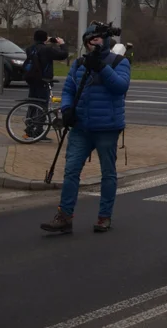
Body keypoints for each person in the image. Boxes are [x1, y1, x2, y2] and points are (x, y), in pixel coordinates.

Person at [40, 25, 131, 234]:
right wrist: (66, 109)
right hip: (81, 126)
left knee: (108, 173)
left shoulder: (119, 62)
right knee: (71, 170)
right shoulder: (79, 63)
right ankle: (64, 216)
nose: (94, 43)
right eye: (90, 40)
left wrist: (101, 67)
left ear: (105, 41)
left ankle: (104, 217)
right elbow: (69, 90)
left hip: (107, 127)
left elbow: (120, 87)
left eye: (98, 39)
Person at [23, 30, 69, 139]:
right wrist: (61, 43)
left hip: (32, 79)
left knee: (33, 103)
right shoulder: (47, 49)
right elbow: (63, 55)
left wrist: (45, 41)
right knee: (43, 106)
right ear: (44, 38)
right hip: (43, 80)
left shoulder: (30, 48)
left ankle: (29, 128)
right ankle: (39, 132)